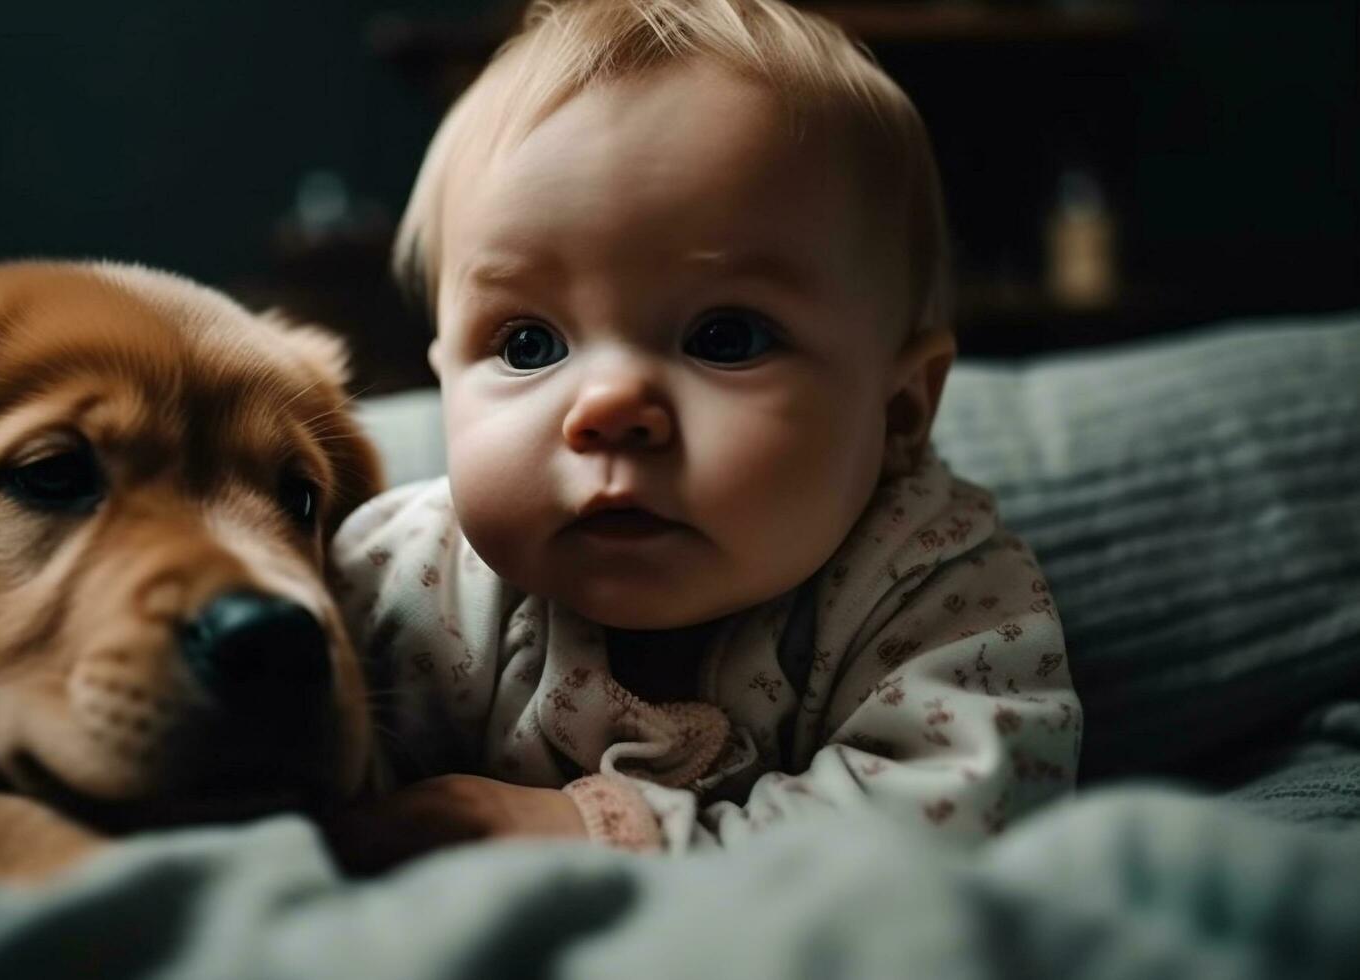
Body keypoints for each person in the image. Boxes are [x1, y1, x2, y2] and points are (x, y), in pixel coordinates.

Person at [329, 0, 1079, 863]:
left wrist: (605, 835)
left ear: (900, 410)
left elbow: (960, 820)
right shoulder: (406, 582)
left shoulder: (929, 583)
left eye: (724, 338)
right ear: (444, 380)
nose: (606, 407)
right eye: (527, 345)